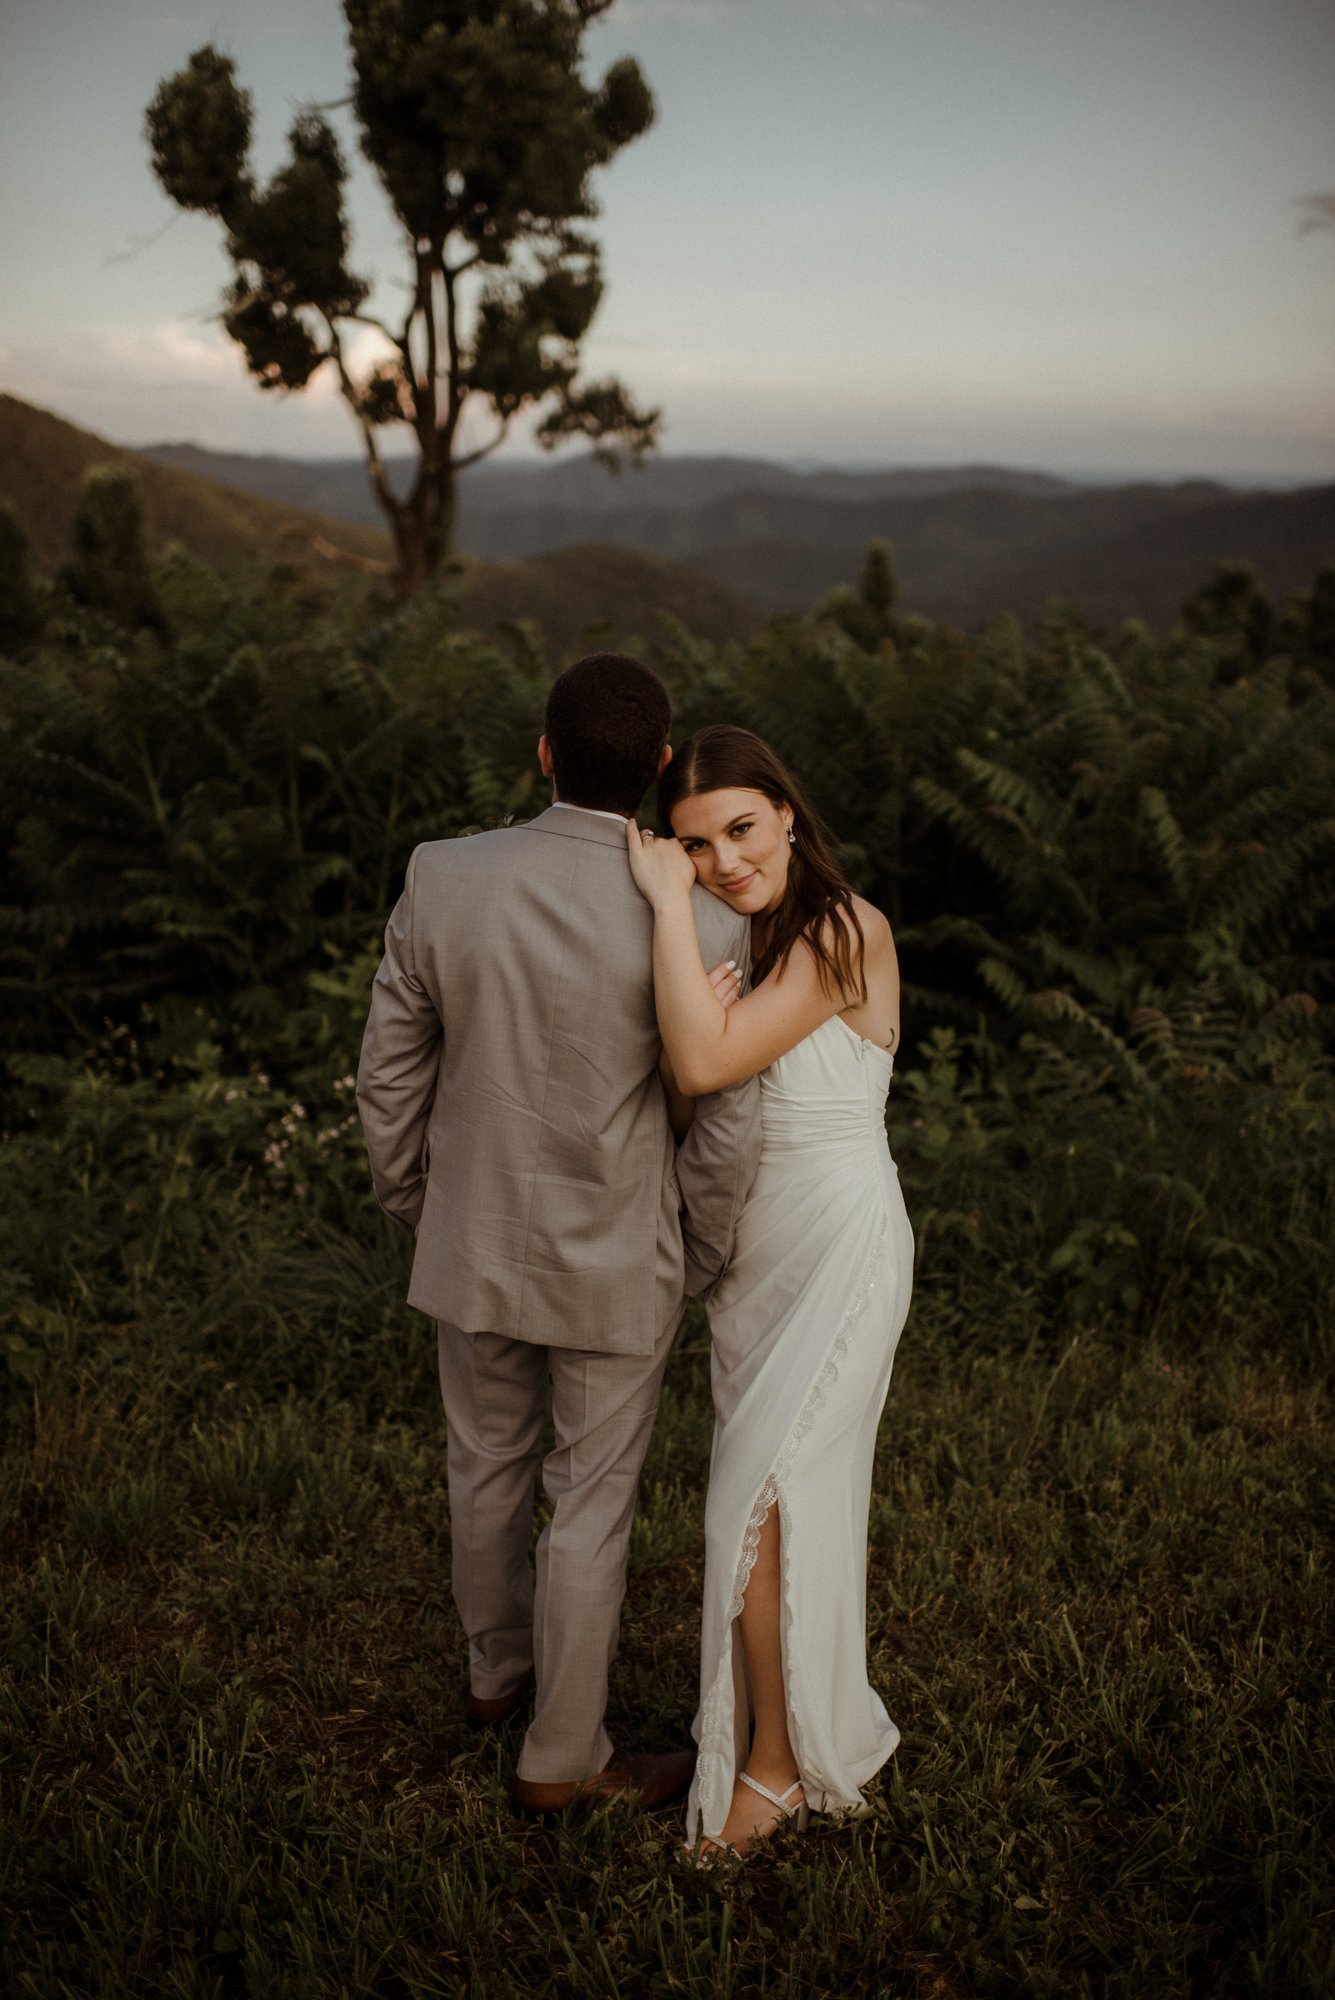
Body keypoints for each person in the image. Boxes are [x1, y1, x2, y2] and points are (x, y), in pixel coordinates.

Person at [357, 656, 761, 1813]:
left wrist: (412, 1202)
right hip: (623, 1255)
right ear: (657, 769)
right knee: (590, 1497)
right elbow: (723, 1128)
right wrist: (705, 1249)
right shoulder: (708, 918)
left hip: (471, 1235)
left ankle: (494, 1675)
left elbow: (388, 1072)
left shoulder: (444, 876)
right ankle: (562, 1752)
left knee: (483, 1464)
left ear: (545, 754)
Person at [625, 723, 914, 1859]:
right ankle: (783, 1727)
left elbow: (701, 1061)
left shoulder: (847, 929)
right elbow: (689, 1105)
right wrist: (689, 975)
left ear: (788, 812)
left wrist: (657, 904)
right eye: (692, 847)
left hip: (841, 1242)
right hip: (755, 1260)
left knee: (760, 1500)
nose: (723, 862)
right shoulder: (740, 944)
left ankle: (778, 1769)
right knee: (776, 1507)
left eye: (740, 828)